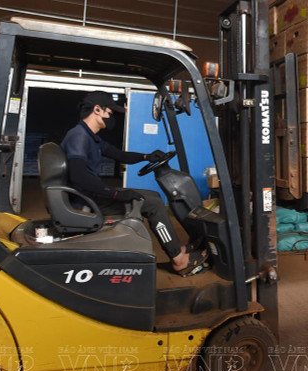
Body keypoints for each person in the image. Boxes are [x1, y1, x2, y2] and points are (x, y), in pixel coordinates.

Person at [60, 91, 207, 276]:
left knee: (152, 196)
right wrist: (115, 193)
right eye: (110, 112)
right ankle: (178, 259)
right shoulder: (79, 136)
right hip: (85, 200)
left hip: (91, 194)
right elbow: (79, 176)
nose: (111, 117)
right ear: (97, 110)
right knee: (152, 204)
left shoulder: (91, 137)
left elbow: (119, 155)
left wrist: (147, 157)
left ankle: (176, 248)